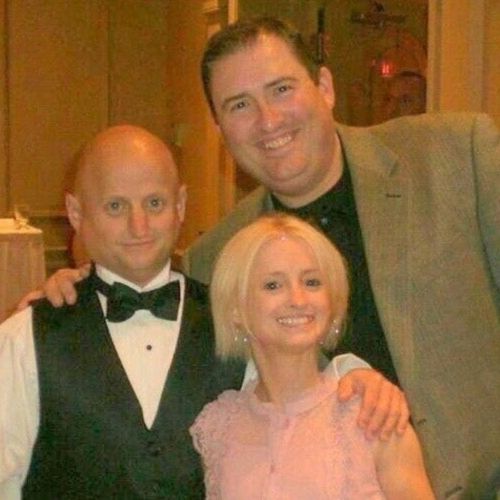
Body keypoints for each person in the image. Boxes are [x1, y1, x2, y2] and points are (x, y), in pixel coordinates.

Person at [21, 16, 499, 497]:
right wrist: (76, 291)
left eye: (282, 89)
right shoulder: (218, 258)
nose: (268, 120)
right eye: (240, 105)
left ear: (325, 86)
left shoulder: (457, 155)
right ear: (220, 128)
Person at [0, 125, 407, 499]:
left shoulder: (237, 319)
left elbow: (301, 390)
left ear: (180, 205)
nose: (139, 225)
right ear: (76, 213)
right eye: (116, 206)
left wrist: (354, 374)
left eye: (155, 203)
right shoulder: (28, 336)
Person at [191, 213, 435, 499]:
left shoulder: (373, 417)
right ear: (235, 309)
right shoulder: (220, 426)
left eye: (312, 282)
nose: (298, 300)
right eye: (273, 285)